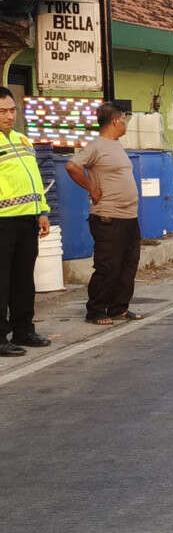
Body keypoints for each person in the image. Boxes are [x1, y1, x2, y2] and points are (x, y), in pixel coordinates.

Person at [65, 103, 144, 326]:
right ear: (115, 121)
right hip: (108, 216)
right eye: (124, 120)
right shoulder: (97, 146)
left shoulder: (116, 145)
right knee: (108, 265)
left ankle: (119, 307)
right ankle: (96, 310)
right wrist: (91, 188)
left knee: (128, 264)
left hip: (129, 216)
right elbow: (72, 166)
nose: (126, 124)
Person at [0, 86, 51, 357]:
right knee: (1, 281)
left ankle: (24, 330)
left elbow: (35, 180)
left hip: (27, 220)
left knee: (23, 279)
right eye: (2, 111)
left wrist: (42, 211)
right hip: (2, 223)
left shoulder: (22, 140)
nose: (9, 116)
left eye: (12, 110)